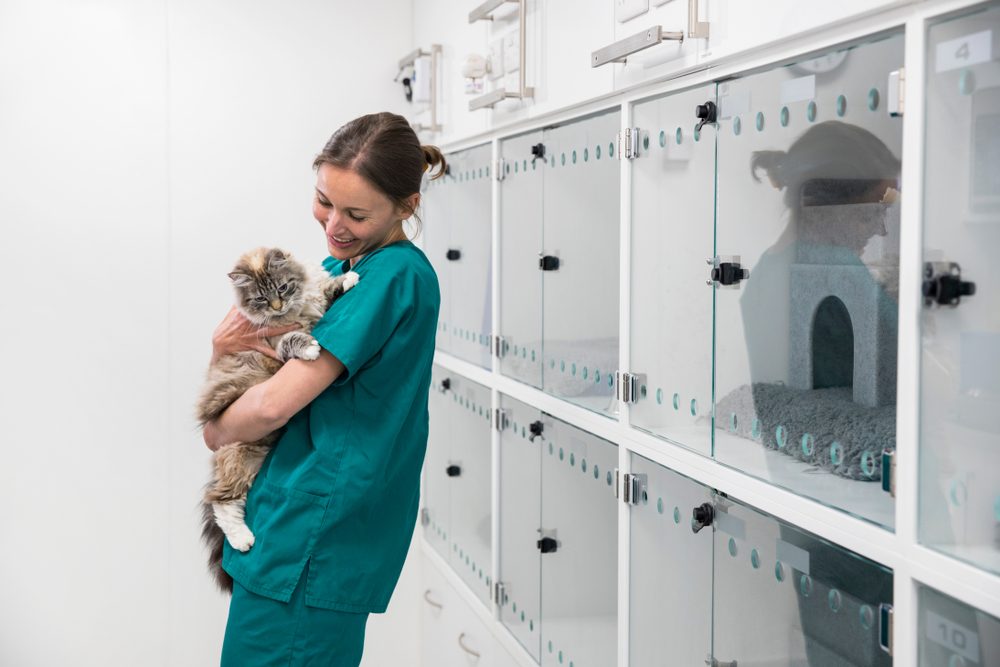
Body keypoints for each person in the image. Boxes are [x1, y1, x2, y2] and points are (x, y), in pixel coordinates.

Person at [202, 112, 445, 666]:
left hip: (312, 536)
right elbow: (249, 363)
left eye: (356, 213)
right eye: (324, 201)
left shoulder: (393, 276)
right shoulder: (345, 264)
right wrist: (222, 353)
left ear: (407, 205)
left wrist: (216, 428)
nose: (333, 224)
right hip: (290, 519)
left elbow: (271, 403)